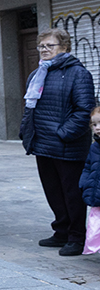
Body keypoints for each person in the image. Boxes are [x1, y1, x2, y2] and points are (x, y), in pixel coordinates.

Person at [21, 28, 96, 256]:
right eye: (41, 46)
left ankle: (76, 237)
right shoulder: (37, 74)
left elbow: (84, 111)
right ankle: (61, 231)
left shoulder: (78, 74)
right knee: (53, 191)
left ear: (64, 47)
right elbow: (29, 108)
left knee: (72, 194)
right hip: (43, 144)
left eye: (49, 46)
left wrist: (63, 133)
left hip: (68, 145)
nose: (44, 50)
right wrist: (26, 132)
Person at [80, 107, 100, 209]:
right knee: (94, 224)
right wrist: (84, 183)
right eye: (94, 124)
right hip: (95, 195)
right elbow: (87, 167)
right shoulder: (94, 147)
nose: (97, 128)